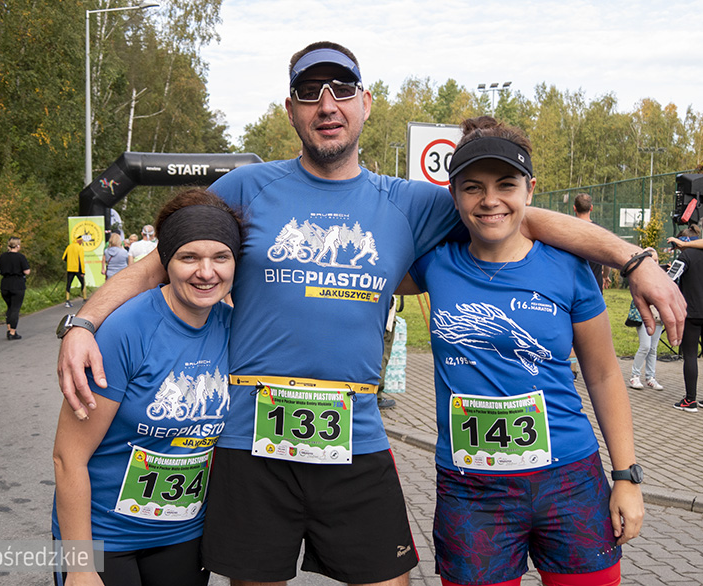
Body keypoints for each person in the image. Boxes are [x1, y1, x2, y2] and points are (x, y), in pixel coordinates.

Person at [57, 42, 683, 586]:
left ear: (366, 103)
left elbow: (513, 213)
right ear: (291, 109)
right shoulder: (247, 187)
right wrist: (85, 323)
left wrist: (636, 261)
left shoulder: (409, 202)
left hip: (354, 440)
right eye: (310, 92)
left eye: (341, 90)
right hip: (252, 443)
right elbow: (156, 264)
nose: (326, 104)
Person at [402, 116, 644, 586]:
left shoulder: (568, 267)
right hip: (471, 490)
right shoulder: (433, 264)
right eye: (473, 187)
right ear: (454, 195)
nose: (490, 200)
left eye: (506, 185)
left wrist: (626, 477)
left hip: (569, 481)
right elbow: (363, 276)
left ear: (530, 190)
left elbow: (603, 374)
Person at [52, 188, 243, 586]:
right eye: (189, 257)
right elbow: (68, 457)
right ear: (165, 261)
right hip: (104, 537)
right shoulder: (125, 329)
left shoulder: (235, 329)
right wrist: (80, 566)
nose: (206, 272)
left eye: (220, 257)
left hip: (184, 535)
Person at [667, 228, 703, 412]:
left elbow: (669, 279)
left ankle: (690, 400)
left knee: (690, 355)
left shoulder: (686, 256)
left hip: (692, 312)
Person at [626, 248, 664, 390]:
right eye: (651, 260)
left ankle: (650, 377)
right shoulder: (638, 276)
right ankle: (635, 376)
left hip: (658, 315)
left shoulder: (662, 276)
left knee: (653, 348)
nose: (655, 263)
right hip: (644, 316)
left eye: (656, 260)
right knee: (645, 346)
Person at [0, 236, 30, 340]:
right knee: (15, 309)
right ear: (17, 246)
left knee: (10, 308)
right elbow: (27, 271)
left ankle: (9, 329)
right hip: (17, 284)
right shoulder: (21, 257)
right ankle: (13, 332)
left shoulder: (2, 256)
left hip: (5, 284)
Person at [574, 193, 605, 292]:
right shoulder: (600, 231)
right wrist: (605, 275)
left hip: (573, 285)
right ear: (591, 208)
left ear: (574, 208)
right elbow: (607, 258)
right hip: (594, 285)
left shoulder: (568, 229)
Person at [63, 235, 87, 308]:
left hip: (70, 269)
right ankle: (85, 299)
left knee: (68, 284)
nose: (81, 242)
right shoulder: (80, 248)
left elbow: (64, 258)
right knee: (83, 283)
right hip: (78, 269)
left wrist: (70, 261)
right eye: (81, 241)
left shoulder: (69, 247)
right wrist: (82, 272)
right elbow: (81, 261)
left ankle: (67, 300)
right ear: (78, 240)